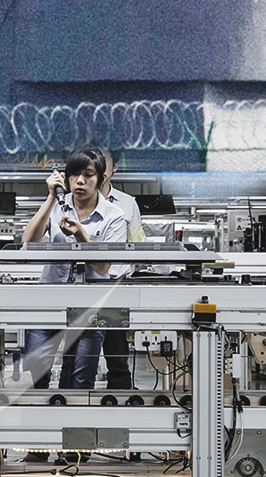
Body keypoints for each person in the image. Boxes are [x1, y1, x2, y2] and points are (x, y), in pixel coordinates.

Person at [20, 147, 129, 391]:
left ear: (102, 178)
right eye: (74, 174)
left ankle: (75, 426)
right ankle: (37, 427)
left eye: (88, 175)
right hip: (48, 302)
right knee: (35, 378)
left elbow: (103, 267)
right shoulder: (57, 205)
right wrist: (50, 198)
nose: (80, 181)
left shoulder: (114, 216)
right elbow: (28, 242)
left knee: (82, 380)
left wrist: (81, 234)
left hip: (90, 308)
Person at [89, 145, 144, 390]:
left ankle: (121, 396)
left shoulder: (127, 203)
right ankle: (76, 396)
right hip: (85, 284)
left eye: (104, 159)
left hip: (115, 285)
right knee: (81, 349)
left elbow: (138, 242)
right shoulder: (76, 198)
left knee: (117, 350)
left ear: (115, 167)